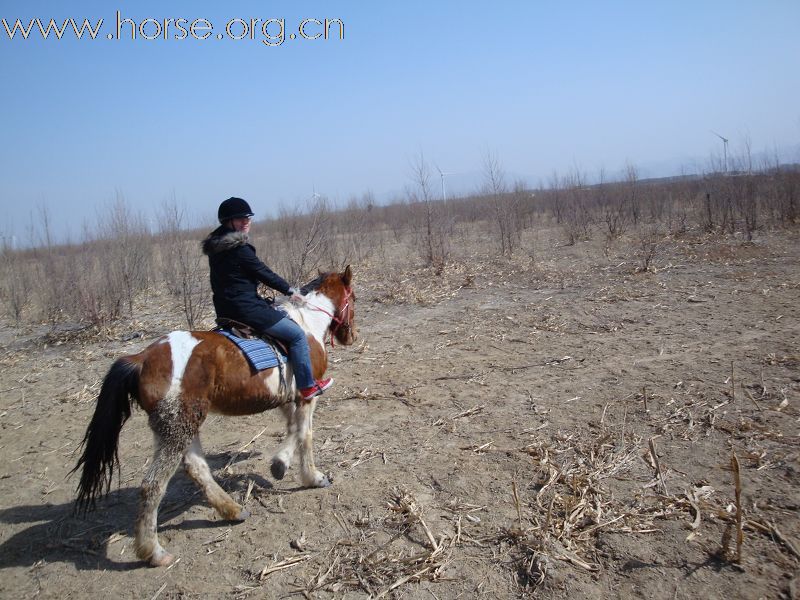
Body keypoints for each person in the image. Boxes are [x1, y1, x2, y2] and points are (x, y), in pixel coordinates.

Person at [202, 197, 333, 401]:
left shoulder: (215, 249)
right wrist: (290, 291)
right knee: (297, 335)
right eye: (240, 219)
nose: (246, 221)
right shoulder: (239, 249)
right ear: (228, 222)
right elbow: (263, 272)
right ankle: (307, 386)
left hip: (224, 309)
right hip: (246, 309)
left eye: (248, 218)